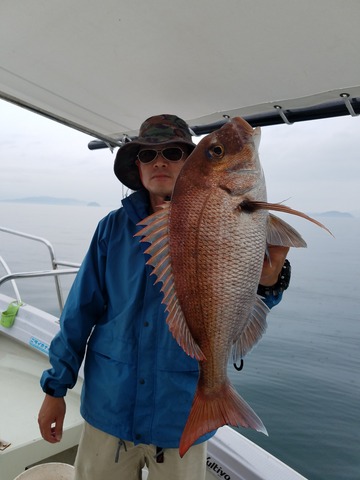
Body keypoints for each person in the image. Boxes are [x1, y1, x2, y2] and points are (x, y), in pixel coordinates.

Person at [38, 114, 290, 480]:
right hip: (110, 408)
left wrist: (270, 282)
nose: (158, 161)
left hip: (182, 412)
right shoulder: (112, 228)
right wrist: (55, 388)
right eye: (146, 155)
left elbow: (246, 295)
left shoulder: (234, 215)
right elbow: (79, 313)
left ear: (190, 164)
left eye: (173, 152)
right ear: (136, 166)